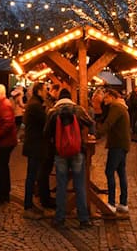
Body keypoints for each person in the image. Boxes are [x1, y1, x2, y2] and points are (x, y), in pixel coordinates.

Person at [44, 89, 95, 229]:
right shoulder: (78, 110)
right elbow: (91, 123)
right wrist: (87, 135)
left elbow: (46, 132)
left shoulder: (53, 112)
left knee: (61, 186)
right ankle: (84, 219)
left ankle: (60, 218)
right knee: (79, 185)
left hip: (60, 152)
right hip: (77, 151)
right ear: (71, 98)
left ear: (59, 99)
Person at [98, 89, 131, 214]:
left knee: (109, 171)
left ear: (112, 97)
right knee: (121, 172)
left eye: (106, 98)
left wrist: (96, 134)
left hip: (117, 145)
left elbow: (108, 123)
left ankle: (111, 203)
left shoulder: (116, 107)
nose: (104, 100)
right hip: (122, 144)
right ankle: (123, 203)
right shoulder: (121, 106)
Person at [21, 82, 48, 219]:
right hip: (35, 145)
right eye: (45, 90)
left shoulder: (34, 103)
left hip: (34, 144)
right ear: (39, 91)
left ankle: (30, 204)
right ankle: (27, 206)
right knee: (32, 176)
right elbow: (46, 121)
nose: (46, 92)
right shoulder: (36, 106)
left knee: (33, 175)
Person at [0, 84, 17, 205]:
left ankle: (2, 194)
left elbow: (8, 123)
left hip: (6, 141)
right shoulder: (2, 104)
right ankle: (3, 193)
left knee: (1, 167)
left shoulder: (5, 105)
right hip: (5, 141)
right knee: (2, 167)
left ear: (1, 93)